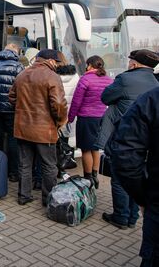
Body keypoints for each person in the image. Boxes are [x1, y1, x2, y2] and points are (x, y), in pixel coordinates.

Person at [100, 49, 159, 229]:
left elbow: (105, 97)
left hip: (125, 134)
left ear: (134, 63)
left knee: (120, 176)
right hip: (149, 140)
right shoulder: (155, 81)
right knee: (140, 174)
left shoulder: (125, 79)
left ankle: (121, 216)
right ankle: (133, 216)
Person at [8, 49, 68, 206]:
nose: (56, 65)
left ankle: (23, 195)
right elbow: (59, 105)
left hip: (23, 127)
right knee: (49, 166)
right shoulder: (52, 77)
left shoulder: (22, 75)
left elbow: (12, 97)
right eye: (56, 62)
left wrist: (22, 109)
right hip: (44, 129)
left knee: (25, 164)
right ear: (50, 61)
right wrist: (60, 120)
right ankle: (48, 199)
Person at [109, 87, 159, 266]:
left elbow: (126, 159)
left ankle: (122, 215)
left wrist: (144, 199)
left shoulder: (152, 98)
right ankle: (128, 216)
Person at [67, 55, 113, 188]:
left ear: (90, 65)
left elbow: (76, 101)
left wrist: (70, 118)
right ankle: (95, 176)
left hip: (86, 118)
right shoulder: (109, 80)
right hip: (102, 118)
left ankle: (87, 178)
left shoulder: (85, 79)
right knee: (96, 148)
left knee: (86, 149)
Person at [0, 43, 25, 182]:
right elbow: (22, 87)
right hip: (11, 109)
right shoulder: (18, 67)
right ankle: (13, 172)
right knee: (13, 140)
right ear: (15, 52)